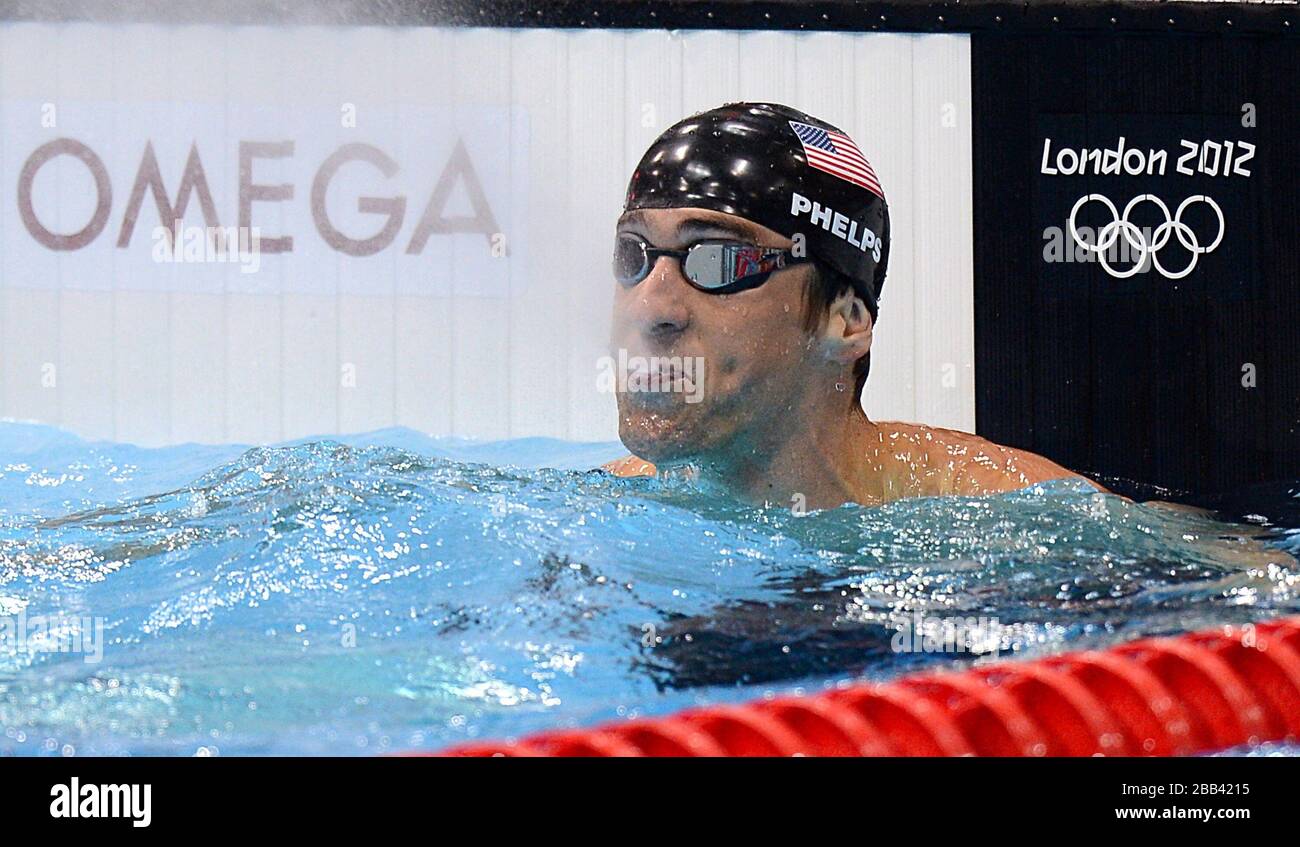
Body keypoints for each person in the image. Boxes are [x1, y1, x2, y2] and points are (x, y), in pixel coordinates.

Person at [603, 102, 1099, 509]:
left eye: (719, 261)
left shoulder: (1015, 513)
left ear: (845, 319)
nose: (650, 309)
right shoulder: (604, 507)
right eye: (634, 255)